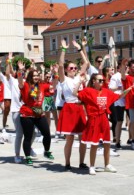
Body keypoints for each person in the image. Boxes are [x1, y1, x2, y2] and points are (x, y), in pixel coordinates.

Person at [74, 73, 133, 175]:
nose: (102, 82)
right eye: (100, 80)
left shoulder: (106, 92)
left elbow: (118, 96)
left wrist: (128, 89)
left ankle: (107, 165)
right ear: (93, 81)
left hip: (104, 119)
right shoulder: (88, 91)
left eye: (103, 80)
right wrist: (79, 82)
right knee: (94, 144)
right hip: (94, 119)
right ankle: (91, 166)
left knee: (107, 143)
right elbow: (75, 93)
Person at [57, 39, 88, 170]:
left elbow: (86, 63)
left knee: (82, 138)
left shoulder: (78, 77)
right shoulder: (64, 80)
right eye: (71, 68)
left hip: (79, 107)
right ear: (66, 70)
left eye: (75, 68)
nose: (74, 69)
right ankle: (67, 163)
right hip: (69, 107)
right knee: (69, 139)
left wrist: (80, 49)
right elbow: (59, 65)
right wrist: (63, 50)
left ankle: (81, 162)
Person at [18, 65, 54, 166]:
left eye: (37, 75)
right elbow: (20, 80)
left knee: (47, 133)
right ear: (30, 77)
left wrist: (55, 74)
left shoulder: (42, 86)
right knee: (28, 136)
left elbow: (53, 86)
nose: (36, 77)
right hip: (27, 113)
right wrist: (20, 70)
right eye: (34, 76)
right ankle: (28, 157)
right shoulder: (25, 85)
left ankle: (46, 151)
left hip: (38, 111)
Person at [120, 59, 134, 150]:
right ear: (130, 68)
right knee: (133, 122)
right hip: (132, 103)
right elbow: (123, 75)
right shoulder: (127, 78)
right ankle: (133, 140)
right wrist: (123, 66)